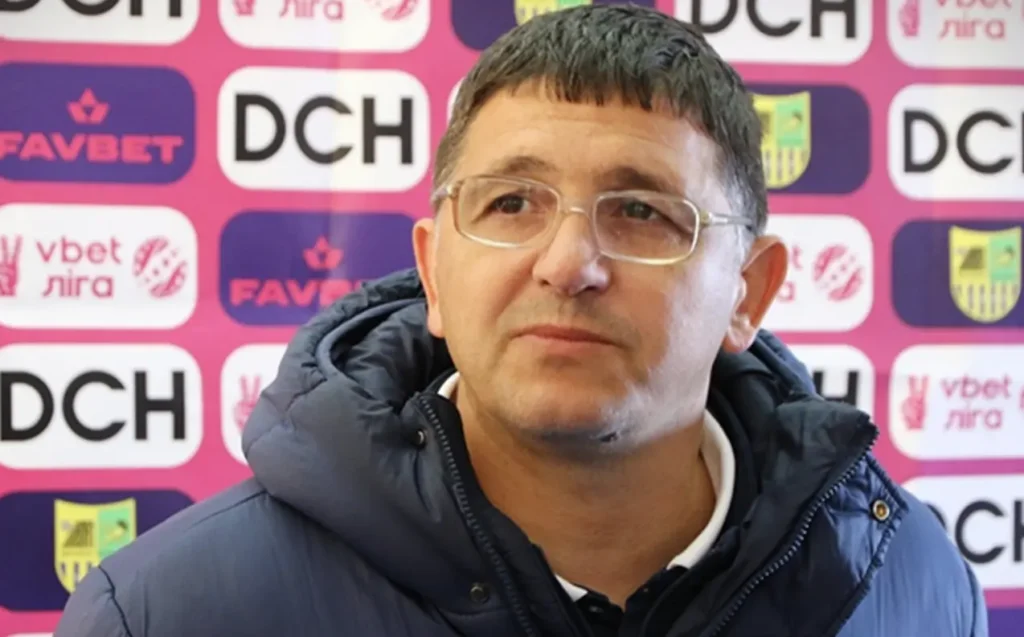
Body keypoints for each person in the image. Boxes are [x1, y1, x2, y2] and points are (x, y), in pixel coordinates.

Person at [57, 6, 987, 637]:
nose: (568, 264)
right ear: (433, 270)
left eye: (641, 211)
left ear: (748, 291)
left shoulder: (912, 586)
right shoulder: (164, 611)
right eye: (510, 204)